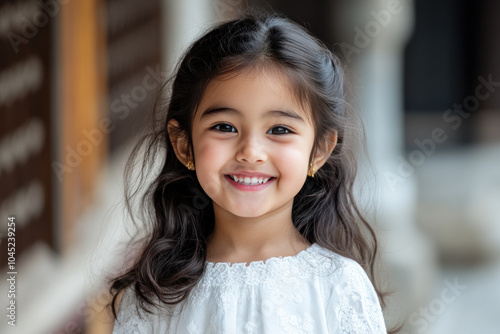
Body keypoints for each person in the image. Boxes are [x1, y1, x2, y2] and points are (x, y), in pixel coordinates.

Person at [107, 13, 388, 333]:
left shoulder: (339, 287)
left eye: (279, 129)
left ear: (319, 150)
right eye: (224, 127)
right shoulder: (156, 294)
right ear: (184, 145)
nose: (251, 152)